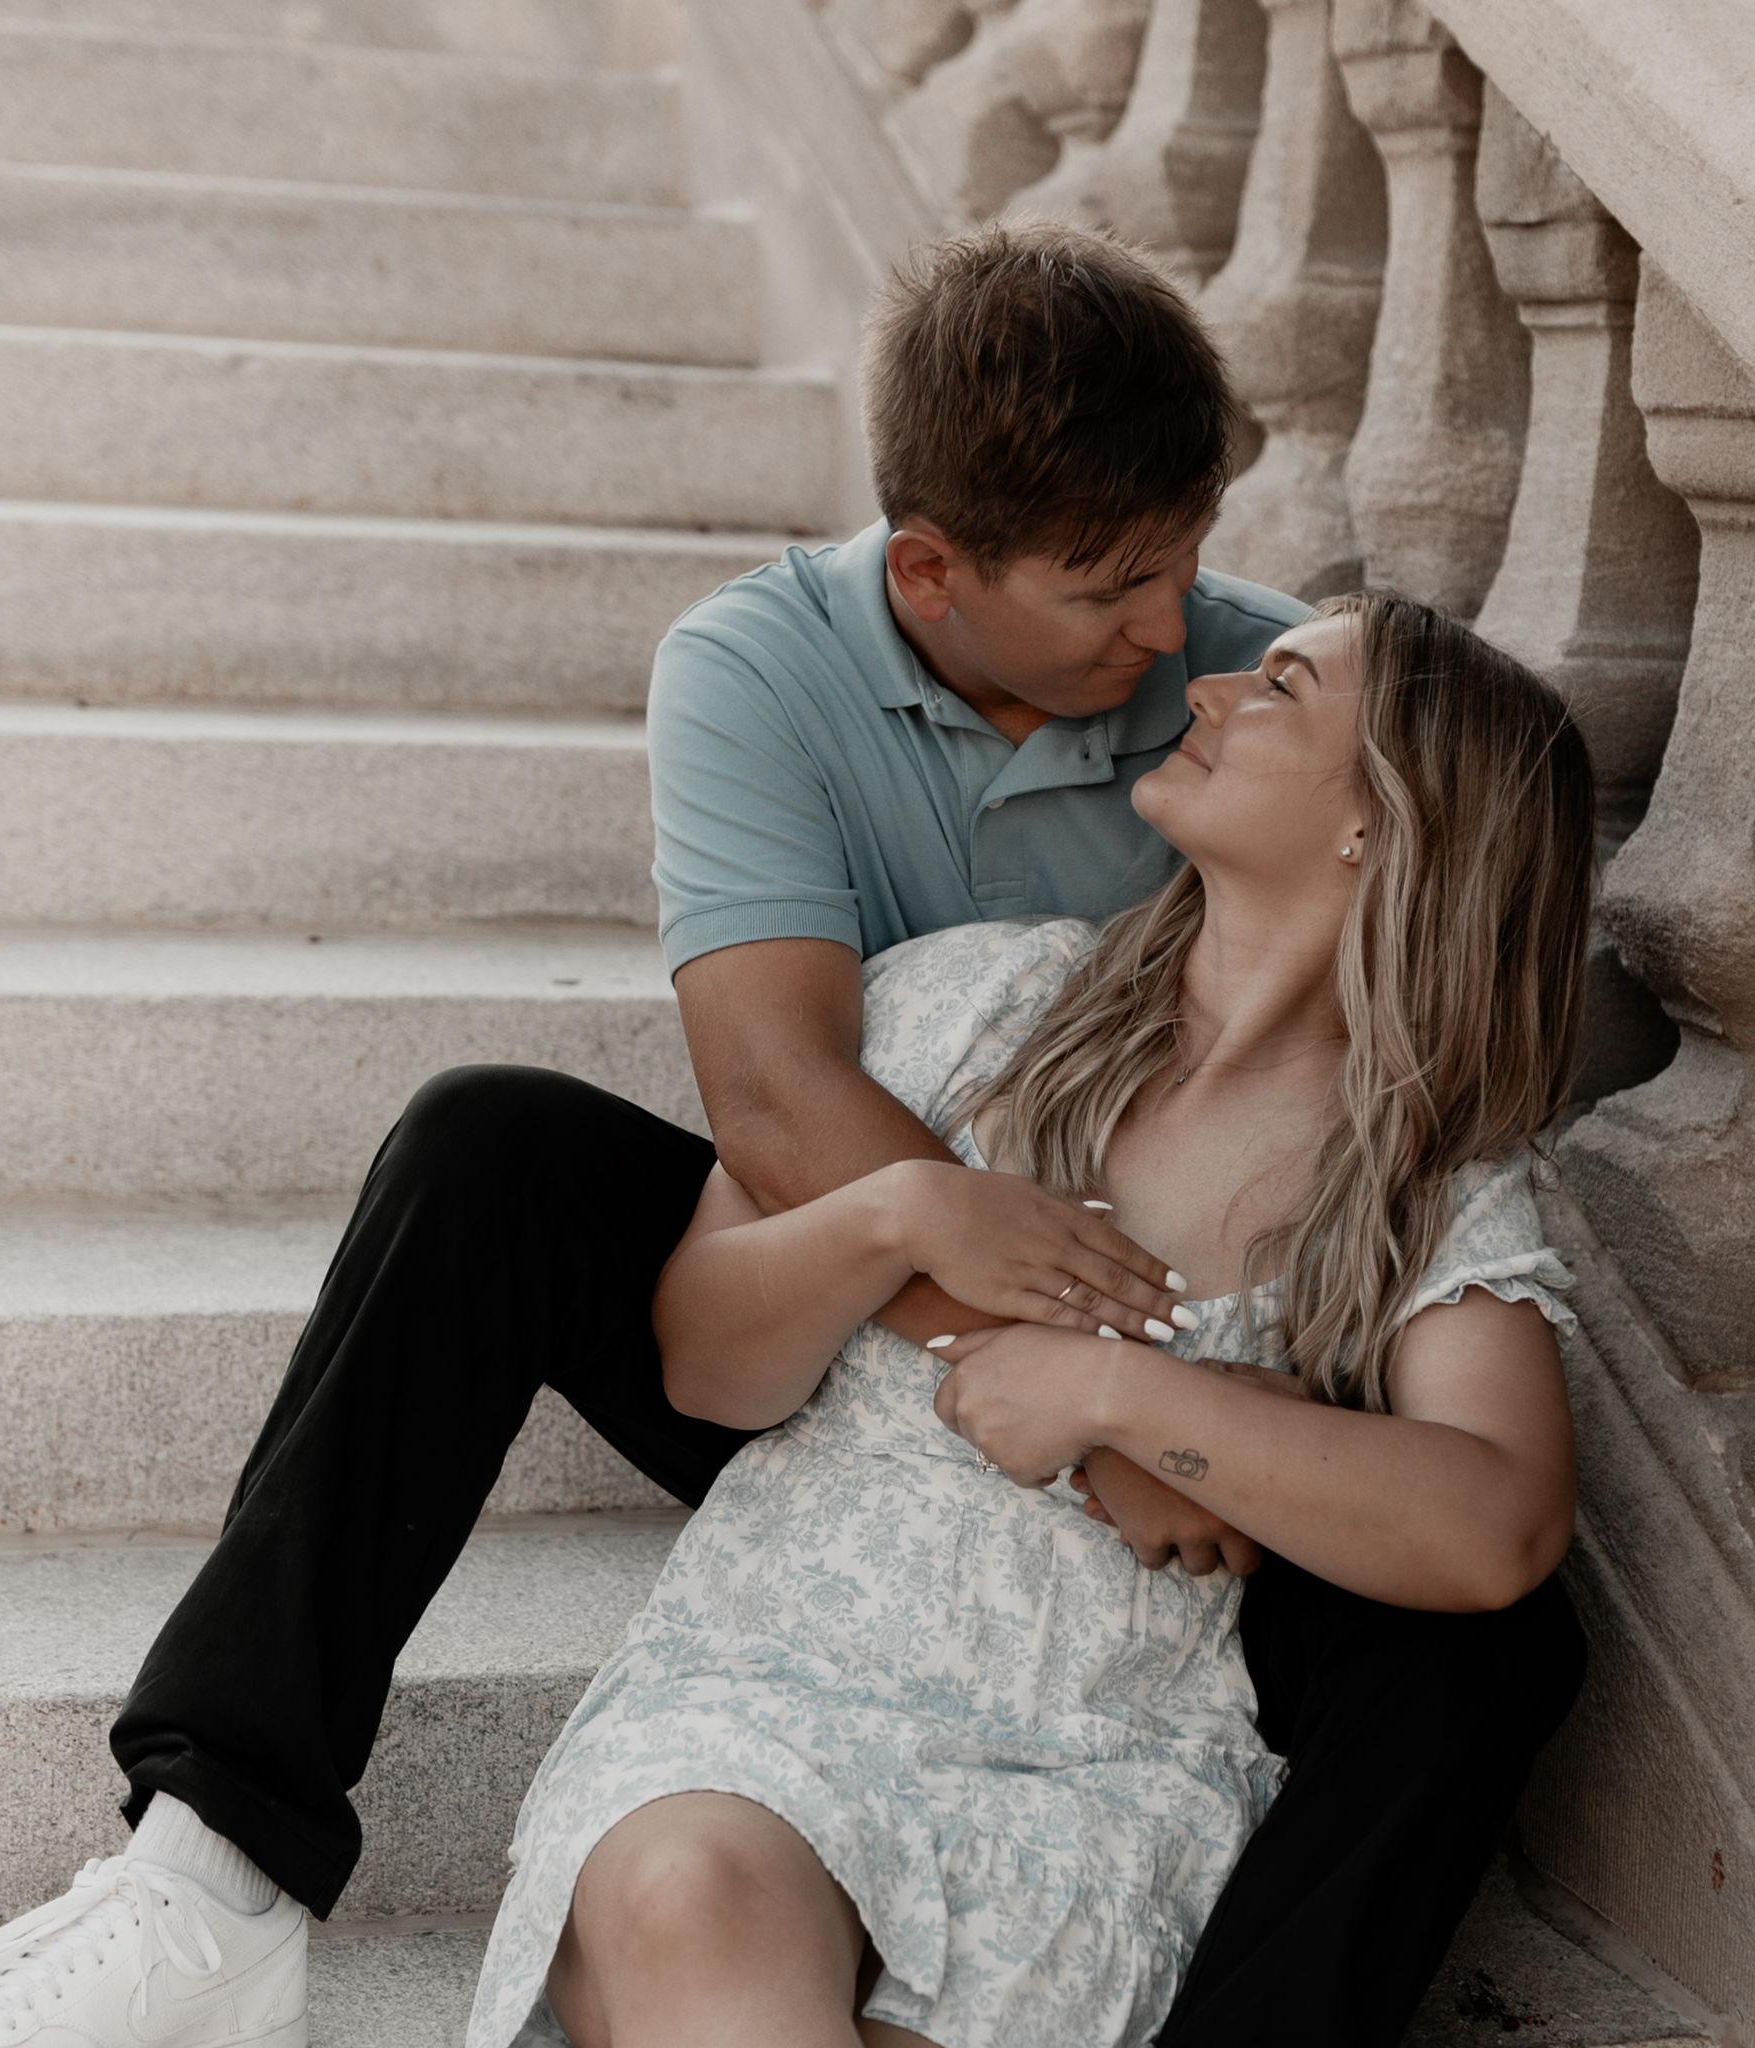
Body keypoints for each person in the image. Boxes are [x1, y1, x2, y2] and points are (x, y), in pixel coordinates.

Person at [0, 221, 1587, 2048]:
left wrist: (1143, 1414)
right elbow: (778, 1104)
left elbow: (1481, 1479)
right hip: (864, 1380)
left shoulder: (1259, 703)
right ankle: (213, 1861)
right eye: (1115, 589)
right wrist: (1029, 1351)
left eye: (1193, 570)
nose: (1188, 644)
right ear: (932, 569)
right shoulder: (785, 701)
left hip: (1165, 1565)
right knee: (487, 1151)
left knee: (1498, 1641)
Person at [462, 587, 1594, 2048]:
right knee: (689, 1894)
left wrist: (1121, 1395)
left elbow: (1501, 1526)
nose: (1206, 690)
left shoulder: (1422, 1184)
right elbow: (708, 1366)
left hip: (1102, 1764)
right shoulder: (982, 1000)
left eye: (1281, 688)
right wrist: (896, 1213)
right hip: (776, 1680)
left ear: (1378, 824)